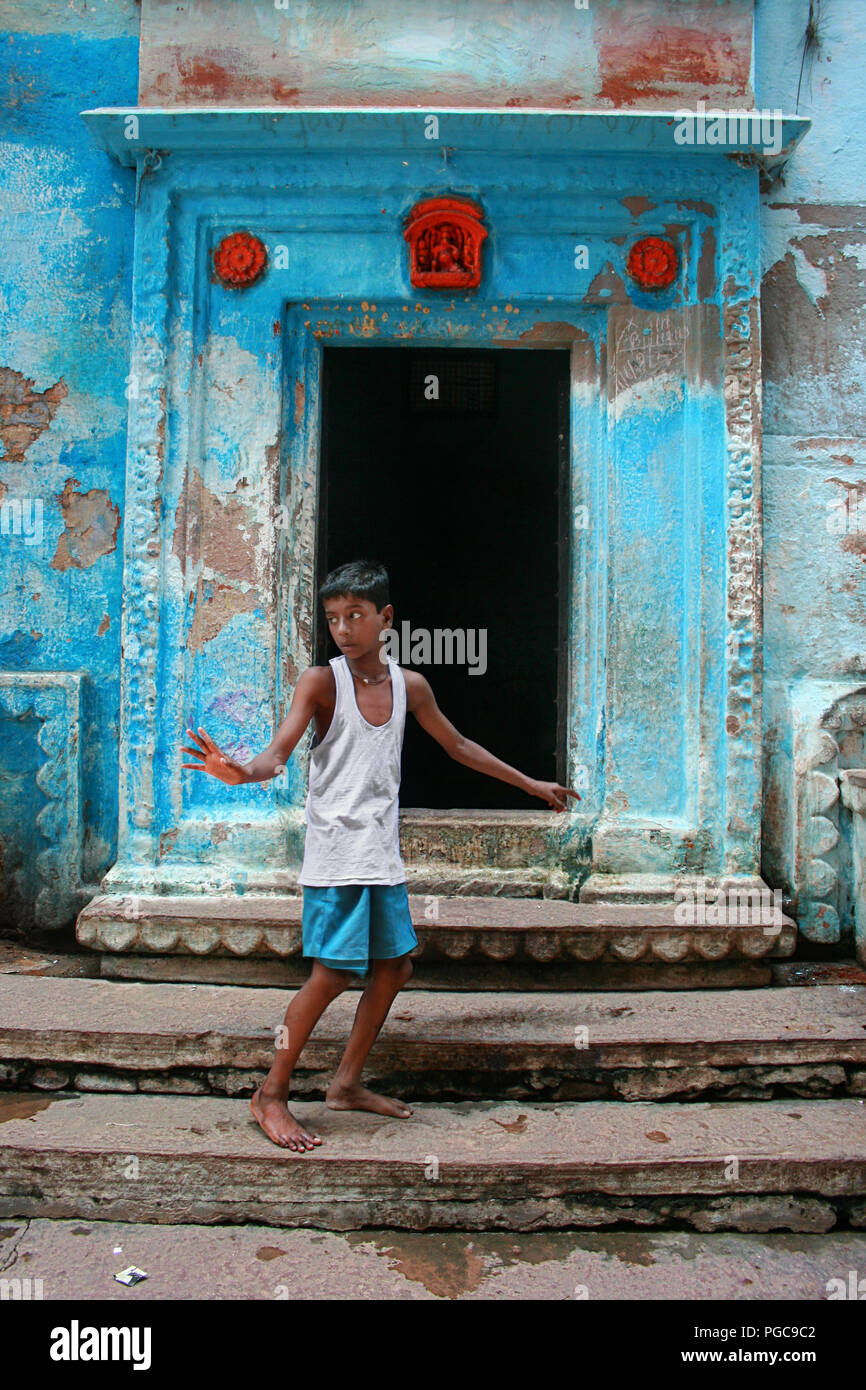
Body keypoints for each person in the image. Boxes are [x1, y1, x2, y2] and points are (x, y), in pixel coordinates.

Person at [181, 558, 579, 1151]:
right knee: (332, 974)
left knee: (395, 968)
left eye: (356, 615)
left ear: (385, 618)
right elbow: (276, 755)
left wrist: (530, 784)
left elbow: (459, 744)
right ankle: (272, 1092)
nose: (343, 628)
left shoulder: (410, 686)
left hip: (380, 857)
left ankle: (344, 1085)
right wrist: (243, 775)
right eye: (333, 618)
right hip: (336, 857)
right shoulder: (321, 682)